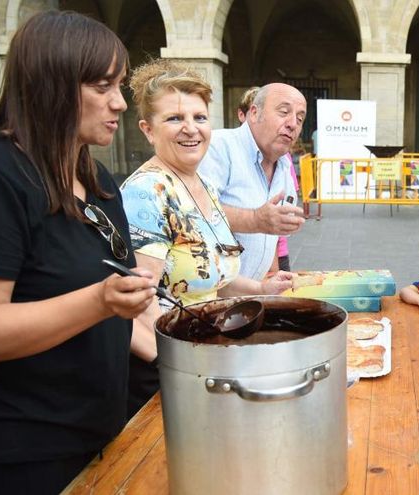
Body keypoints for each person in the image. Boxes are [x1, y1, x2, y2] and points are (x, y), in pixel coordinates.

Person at [0, 11, 156, 492]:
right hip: (27, 455)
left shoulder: (99, 181)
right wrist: (98, 301)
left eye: (119, 86)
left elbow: (119, 304)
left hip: (104, 431)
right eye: (103, 86)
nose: (119, 103)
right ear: (53, 84)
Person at [121, 60, 294, 417]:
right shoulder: (148, 191)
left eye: (199, 118)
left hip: (205, 355)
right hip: (168, 372)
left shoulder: (204, 186)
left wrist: (264, 289)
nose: (191, 129)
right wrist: (176, 367)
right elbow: (137, 306)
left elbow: (212, 279)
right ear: (148, 129)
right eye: (174, 119)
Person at [199, 83, 307, 280]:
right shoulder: (219, 147)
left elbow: (272, 236)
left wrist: (271, 277)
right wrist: (255, 220)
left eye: (300, 119)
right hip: (209, 297)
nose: (293, 124)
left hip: (252, 294)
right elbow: (194, 215)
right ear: (254, 113)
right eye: (284, 112)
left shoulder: (283, 165)